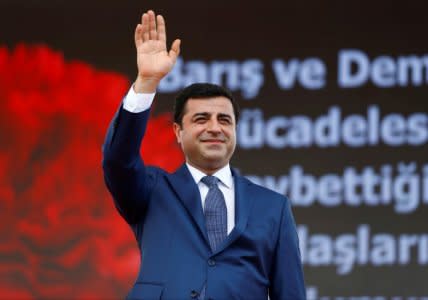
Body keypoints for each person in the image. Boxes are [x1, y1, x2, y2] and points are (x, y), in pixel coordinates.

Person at [102, 9, 306, 300]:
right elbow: (117, 160)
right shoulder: (152, 192)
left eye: (224, 120)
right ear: (177, 132)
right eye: (201, 119)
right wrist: (146, 82)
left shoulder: (273, 208)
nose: (214, 128)